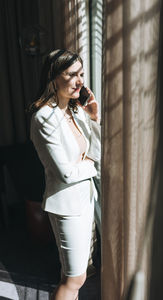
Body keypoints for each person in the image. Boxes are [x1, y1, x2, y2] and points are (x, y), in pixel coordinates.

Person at [29, 49, 101, 300]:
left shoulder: (77, 111)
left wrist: (94, 118)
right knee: (75, 278)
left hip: (86, 199)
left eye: (81, 74)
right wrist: (88, 162)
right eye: (72, 75)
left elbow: (97, 155)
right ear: (53, 77)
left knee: (76, 273)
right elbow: (66, 174)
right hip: (67, 206)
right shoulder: (43, 118)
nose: (80, 81)